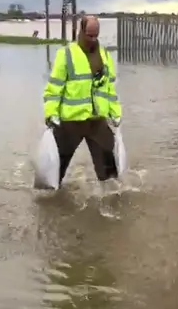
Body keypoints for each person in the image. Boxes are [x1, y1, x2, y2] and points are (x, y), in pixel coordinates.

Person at [43, 15, 122, 186]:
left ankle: (112, 203)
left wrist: (116, 113)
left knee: (110, 175)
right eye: (89, 35)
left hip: (97, 121)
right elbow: (54, 88)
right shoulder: (66, 54)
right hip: (71, 122)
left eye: (96, 35)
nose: (93, 39)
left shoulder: (105, 55)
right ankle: (47, 199)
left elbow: (109, 89)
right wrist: (51, 114)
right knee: (54, 169)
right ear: (81, 31)